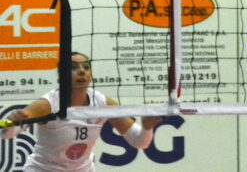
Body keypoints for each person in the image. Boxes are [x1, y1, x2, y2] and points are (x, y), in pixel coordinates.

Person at [0, 52, 161, 172]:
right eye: (74, 68)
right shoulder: (48, 104)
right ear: (61, 77)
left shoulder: (103, 103)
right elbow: (6, 131)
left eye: (86, 67)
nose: (82, 71)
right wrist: (11, 122)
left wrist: (147, 127)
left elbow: (140, 142)